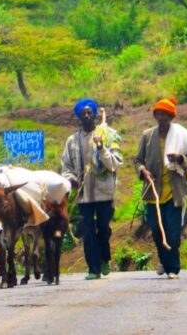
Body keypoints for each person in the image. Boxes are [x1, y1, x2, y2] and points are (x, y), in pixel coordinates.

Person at [61, 98, 123, 280]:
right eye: (83, 114)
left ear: (95, 115)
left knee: (103, 228)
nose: (87, 116)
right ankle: (93, 269)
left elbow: (115, 163)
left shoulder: (109, 135)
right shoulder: (72, 141)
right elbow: (66, 166)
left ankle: (104, 258)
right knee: (87, 230)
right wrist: (70, 178)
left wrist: (102, 148)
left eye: (90, 113)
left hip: (105, 192)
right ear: (79, 118)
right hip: (83, 194)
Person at [134, 98, 187, 280]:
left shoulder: (182, 136)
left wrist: (180, 159)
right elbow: (137, 160)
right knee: (156, 229)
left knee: (173, 231)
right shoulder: (147, 136)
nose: (160, 118)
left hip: (175, 192)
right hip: (154, 192)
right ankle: (163, 260)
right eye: (158, 114)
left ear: (170, 117)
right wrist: (143, 171)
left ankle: (173, 269)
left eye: (164, 115)